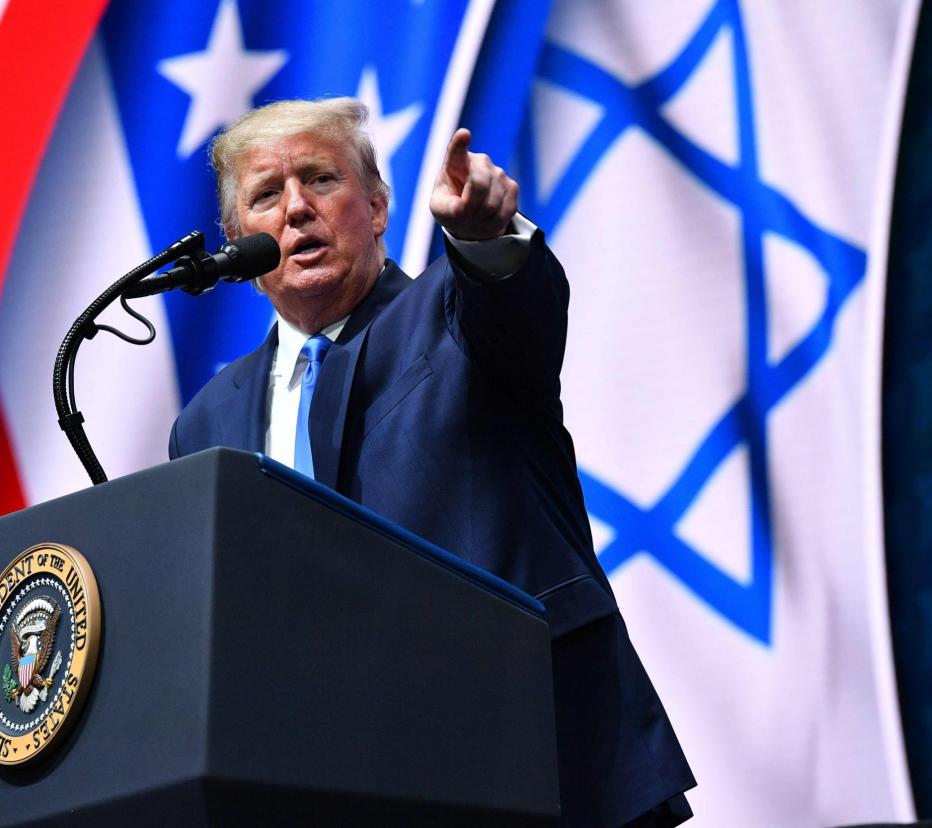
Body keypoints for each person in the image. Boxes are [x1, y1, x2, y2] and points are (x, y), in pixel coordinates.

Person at [169, 98, 695, 828]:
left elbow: (514, 295)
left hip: (546, 765)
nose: (295, 210)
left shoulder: (458, 314)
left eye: (321, 180)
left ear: (378, 208)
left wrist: (485, 237)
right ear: (236, 241)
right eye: (266, 194)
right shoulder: (206, 424)